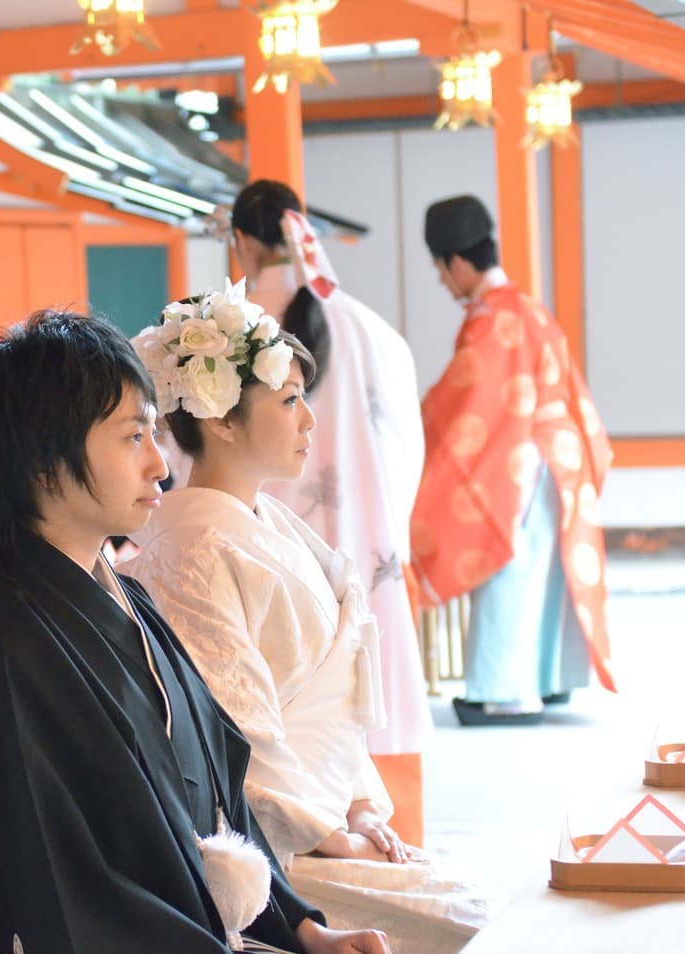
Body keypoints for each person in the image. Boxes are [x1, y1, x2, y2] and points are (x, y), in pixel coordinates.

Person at [0, 310, 390, 954]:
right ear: (44, 460)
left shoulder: (126, 596)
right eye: (133, 437)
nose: (160, 465)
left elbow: (220, 794)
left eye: (154, 433)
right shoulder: (6, 640)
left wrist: (303, 929)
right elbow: (68, 885)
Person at [127, 289, 491, 951]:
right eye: (289, 399)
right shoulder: (191, 550)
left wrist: (356, 805)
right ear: (222, 421)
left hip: (322, 816)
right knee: (467, 917)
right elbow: (235, 726)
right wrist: (329, 832)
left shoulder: (269, 524)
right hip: (268, 848)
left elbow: (327, 700)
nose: (308, 421)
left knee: (475, 901)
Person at [226, 181, 431, 845]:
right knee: (375, 716)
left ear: (241, 243)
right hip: (364, 556)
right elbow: (404, 450)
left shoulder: (220, 335)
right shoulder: (368, 328)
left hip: (262, 561)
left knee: (278, 720)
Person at [413, 195, 616, 726]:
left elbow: (467, 400)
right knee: (546, 574)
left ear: (457, 261)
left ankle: (506, 692)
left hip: (520, 460)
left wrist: (417, 420)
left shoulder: (493, 319)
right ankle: (549, 679)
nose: (442, 281)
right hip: (560, 456)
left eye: (440, 268)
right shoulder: (528, 307)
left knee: (509, 567)